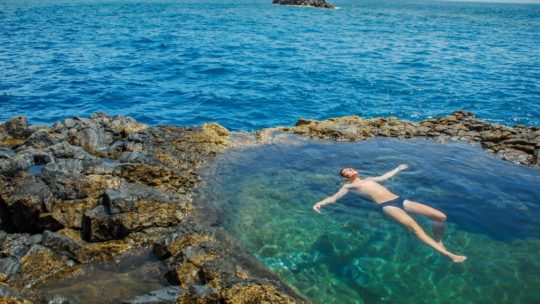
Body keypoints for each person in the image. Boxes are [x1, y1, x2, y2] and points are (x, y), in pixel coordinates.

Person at [313, 164, 467, 263]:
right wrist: (320, 203)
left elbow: (385, 176)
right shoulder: (347, 187)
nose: (349, 170)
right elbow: (334, 198)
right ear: (344, 177)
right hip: (387, 206)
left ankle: (438, 241)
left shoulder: (370, 178)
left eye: (350, 168)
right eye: (346, 171)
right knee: (415, 229)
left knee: (440, 216)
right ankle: (447, 255)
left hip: (400, 200)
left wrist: (398, 169)